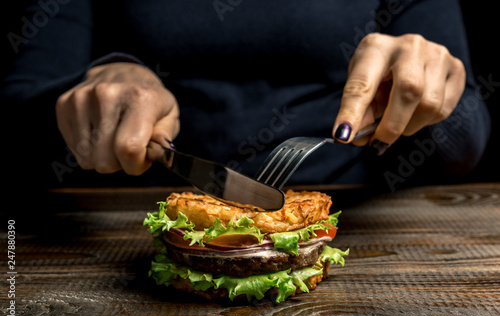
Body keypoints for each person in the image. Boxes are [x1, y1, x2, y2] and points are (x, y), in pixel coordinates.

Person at [1, 0, 490, 197]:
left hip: (353, 213)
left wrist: (431, 103)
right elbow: (14, 118)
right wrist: (100, 81)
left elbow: (465, 142)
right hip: (134, 210)